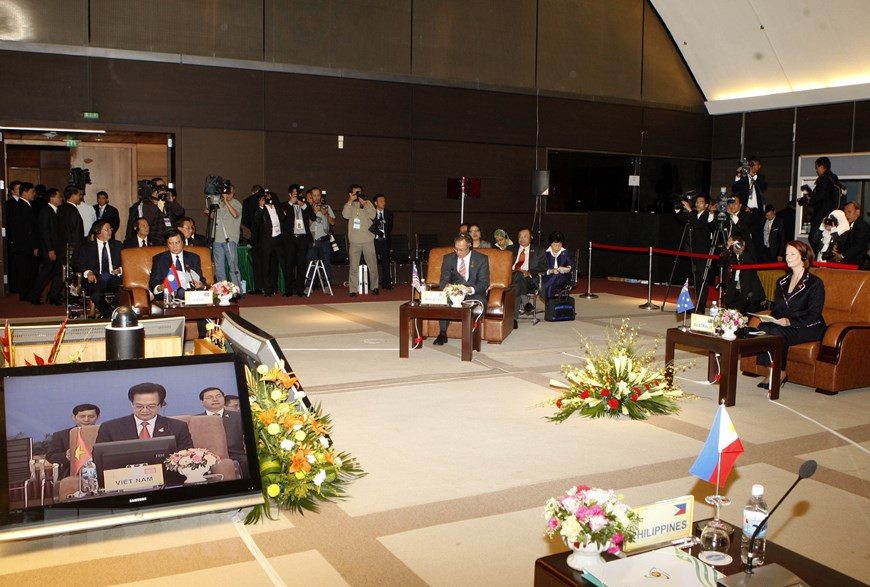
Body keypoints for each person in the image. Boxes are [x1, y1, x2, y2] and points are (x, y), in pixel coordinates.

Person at [755, 241, 826, 387]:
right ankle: (772, 372)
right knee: (763, 327)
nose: (788, 257)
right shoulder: (782, 281)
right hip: (785, 325)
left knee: (775, 331)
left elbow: (814, 314)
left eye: (792, 254)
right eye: (787, 254)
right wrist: (771, 318)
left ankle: (779, 372)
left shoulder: (815, 283)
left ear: (804, 258)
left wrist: (789, 322)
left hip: (808, 327)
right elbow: (778, 309)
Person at [96, 383, 193, 449]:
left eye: (151, 406)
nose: (145, 410)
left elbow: (187, 458)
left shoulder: (178, 427)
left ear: (161, 405)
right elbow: (99, 459)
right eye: (139, 406)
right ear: (132, 404)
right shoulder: (110, 428)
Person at [434, 233, 489, 346]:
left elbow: (484, 283)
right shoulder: (448, 258)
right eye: (456, 249)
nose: (458, 252)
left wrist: (469, 289)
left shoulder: (481, 259)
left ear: (469, 247)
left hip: (474, 292)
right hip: (455, 292)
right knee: (443, 301)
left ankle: (474, 334)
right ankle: (442, 333)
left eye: (462, 250)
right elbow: (443, 280)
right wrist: (447, 287)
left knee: (481, 303)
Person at [72, 220, 123, 318]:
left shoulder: (117, 245)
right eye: (106, 229)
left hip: (113, 278)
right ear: (97, 232)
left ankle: (111, 311)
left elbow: (126, 262)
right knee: (96, 294)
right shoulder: (86, 247)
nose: (110, 232)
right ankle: (110, 315)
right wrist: (88, 272)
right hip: (96, 278)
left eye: (110, 229)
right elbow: (77, 264)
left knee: (125, 290)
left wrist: (120, 269)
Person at [199, 387, 247, 476]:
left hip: (235, 456)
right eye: (210, 397)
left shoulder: (239, 417)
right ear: (202, 402)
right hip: (206, 457)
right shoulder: (197, 420)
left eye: (219, 396)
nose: (215, 399)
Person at [678, 194, 714, 312]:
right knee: (696, 280)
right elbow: (683, 219)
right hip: (694, 252)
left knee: (703, 280)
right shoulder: (694, 215)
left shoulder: (708, 215)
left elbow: (698, 224)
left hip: (704, 253)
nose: (698, 204)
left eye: (701, 202)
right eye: (697, 202)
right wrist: (677, 207)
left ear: (707, 205)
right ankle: (697, 305)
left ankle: (701, 307)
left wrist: (690, 210)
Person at [29, 188, 64, 305]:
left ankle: (52, 295)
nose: (61, 199)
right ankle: (34, 295)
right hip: (49, 249)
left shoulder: (55, 211)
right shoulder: (46, 212)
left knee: (54, 273)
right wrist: (50, 250)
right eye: (59, 197)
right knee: (45, 273)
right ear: (52, 198)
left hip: (55, 248)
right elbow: (45, 233)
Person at [45, 403, 101, 479]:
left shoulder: (104, 432)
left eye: (91, 416)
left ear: (98, 417)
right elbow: (50, 456)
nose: (86, 420)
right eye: (82, 416)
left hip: (101, 472)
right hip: (71, 474)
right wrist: (67, 456)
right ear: (74, 417)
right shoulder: (61, 435)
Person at [342, 184, 379, 297]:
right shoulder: (349, 205)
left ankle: (375, 286)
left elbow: (373, 215)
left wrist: (365, 204)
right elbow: (345, 215)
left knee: (372, 265)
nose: (358, 194)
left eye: (360, 192)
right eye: (356, 192)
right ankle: (353, 289)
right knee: (353, 267)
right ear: (351, 193)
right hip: (354, 240)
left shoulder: (367, 203)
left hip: (368, 239)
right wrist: (350, 201)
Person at [148, 229, 207, 300]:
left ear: (183, 242)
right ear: (167, 244)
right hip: (169, 295)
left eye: (177, 242)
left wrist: (201, 285)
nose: (174, 246)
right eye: (171, 243)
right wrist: (162, 287)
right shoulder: (159, 259)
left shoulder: (194, 258)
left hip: (191, 295)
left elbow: (202, 281)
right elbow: (153, 282)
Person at [279, 183, 314, 297]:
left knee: (301, 265)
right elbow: (282, 218)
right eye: (294, 194)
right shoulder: (285, 205)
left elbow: (313, 217)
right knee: (289, 265)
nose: (296, 196)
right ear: (290, 194)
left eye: (298, 194)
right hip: (290, 239)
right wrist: (290, 203)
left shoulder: (305, 205)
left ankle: (300, 288)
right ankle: (288, 289)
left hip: (302, 238)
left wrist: (303, 205)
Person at [250, 189, 285, 297]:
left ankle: (278, 286)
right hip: (266, 241)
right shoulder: (261, 209)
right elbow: (255, 221)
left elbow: (283, 219)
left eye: (269, 196)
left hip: (278, 239)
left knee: (279, 264)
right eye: (265, 197)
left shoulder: (277, 207)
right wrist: (261, 207)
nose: (268, 199)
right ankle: (267, 288)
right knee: (266, 265)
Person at [7, 181, 38, 301]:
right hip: (25, 246)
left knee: (26, 270)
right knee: (26, 270)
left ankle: (26, 293)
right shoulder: (21, 206)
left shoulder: (24, 204)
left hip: (23, 245)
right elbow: (28, 229)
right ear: (24, 193)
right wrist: (34, 246)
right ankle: (26, 294)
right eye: (32, 192)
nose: (33, 194)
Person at [211, 183, 243, 291]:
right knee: (219, 267)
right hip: (217, 239)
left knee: (233, 266)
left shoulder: (236, 203)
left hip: (230, 239)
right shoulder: (218, 203)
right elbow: (210, 214)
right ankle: (222, 290)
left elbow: (235, 214)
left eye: (229, 192)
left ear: (233, 193)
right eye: (225, 192)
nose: (227, 195)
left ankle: (237, 290)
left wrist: (226, 201)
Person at [720, 236, 765, 314]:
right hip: (735, 293)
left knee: (750, 319)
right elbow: (721, 263)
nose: (736, 246)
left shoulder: (749, 254)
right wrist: (728, 248)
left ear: (743, 243)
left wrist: (741, 252)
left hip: (750, 294)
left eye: (738, 243)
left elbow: (752, 262)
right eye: (734, 244)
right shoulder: (730, 255)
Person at [509, 228, 546, 322]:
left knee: (517, 284)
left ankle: (514, 318)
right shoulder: (510, 249)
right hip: (511, 278)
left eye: (525, 236)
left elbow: (543, 267)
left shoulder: (539, 251)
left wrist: (529, 272)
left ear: (531, 238)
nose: (522, 239)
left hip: (529, 280)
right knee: (517, 275)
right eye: (520, 236)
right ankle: (525, 303)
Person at [732, 156, 766, 251]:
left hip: (756, 212)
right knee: (743, 234)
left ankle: (758, 260)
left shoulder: (760, 178)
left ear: (759, 166)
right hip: (744, 211)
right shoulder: (743, 177)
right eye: (750, 164)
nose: (752, 166)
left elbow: (763, 187)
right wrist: (738, 175)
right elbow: (735, 190)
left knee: (757, 238)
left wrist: (753, 175)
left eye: (754, 164)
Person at [808, 157, 841, 254]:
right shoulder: (833, 178)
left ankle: (821, 255)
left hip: (821, 213)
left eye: (817, 167)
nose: (816, 170)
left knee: (814, 237)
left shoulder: (823, 179)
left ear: (822, 167)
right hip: (831, 214)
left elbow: (820, 196)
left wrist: (811, 200)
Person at [306, 187, 334, 286]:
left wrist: (326, 214)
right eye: (314, 195)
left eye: (318, 195)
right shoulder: (307, 208)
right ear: (311, 197)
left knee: (326, 264)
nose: (317, 198)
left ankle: (327, 285)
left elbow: (333, 222)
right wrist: (314, 212)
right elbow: (305, 225)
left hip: (324, 240)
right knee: (310, 264)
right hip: (312, 240)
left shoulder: (326, 206)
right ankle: (309, 286)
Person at [832, 201, 870, 267]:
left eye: (849, 212)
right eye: (845, 213)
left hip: (858, 264)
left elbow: (859, 246)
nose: (847, 215)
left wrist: (842, 256)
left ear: (857, 212)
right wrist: (838, 248)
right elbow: (850, 244)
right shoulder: (853, 225)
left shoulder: (861, 225)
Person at [56, 185, 86, 264]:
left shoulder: (61, 209)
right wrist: (78, 250)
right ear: (73, 196)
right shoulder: (73, 211)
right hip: (71, 249)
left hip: (61, 248)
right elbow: (76, 233)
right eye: (79, 195)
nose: (81, 197)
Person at [541, 232, 574, 299]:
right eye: (555, 245)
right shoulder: (544, 252)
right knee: (551, 284)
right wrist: (550, 271)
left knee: (557, 274)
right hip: (548, 277)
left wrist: (568, 267)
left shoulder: (565, 252)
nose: (557, 247)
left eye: (559, 245)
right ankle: (550, 306)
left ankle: (543, 288)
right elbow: (541, 267)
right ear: (550, 244)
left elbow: (573, 264)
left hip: (562, 278)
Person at [371, 193, 394, 290]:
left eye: (384, 201)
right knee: (372, 263)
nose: (383, 203)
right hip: (374, 241)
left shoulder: (389, 213)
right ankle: (373, 283)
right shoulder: (371, 213)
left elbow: (390, 227)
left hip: (385, 241)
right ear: (375, 203)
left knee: (385, 262)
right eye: (380, 201)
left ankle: (387, 283)